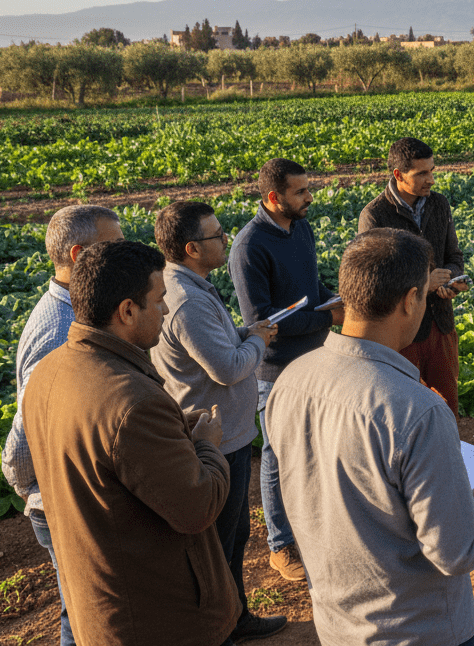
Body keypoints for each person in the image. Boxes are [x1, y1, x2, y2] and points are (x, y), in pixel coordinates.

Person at [267, 228, 474, 646]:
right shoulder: (418, 410)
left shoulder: (292, 381)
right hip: (420, 631)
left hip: (337, 627)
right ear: (410, 300)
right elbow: (456, 552)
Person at [23, 240, 239, 646]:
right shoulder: (133, 402)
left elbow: (106, 455)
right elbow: (197, 506)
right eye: (158, 300)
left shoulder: (49, 372)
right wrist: (206, 445)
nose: (166, 310)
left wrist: (173, 431)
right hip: (161, 618)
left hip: (102, 608)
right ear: (126, 311)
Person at [151, 201, 286, 642]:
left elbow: (217, 351)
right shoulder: (188, 301)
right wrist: (258, 342)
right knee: (219, 545)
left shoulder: (189, 286)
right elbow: (227, 369)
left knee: (235, 535)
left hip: (228, 433)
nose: (226, 239)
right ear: (192, 248)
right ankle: (221, 631)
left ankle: (236, 617)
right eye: (217, 235)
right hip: (217, 439)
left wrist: (246, 335)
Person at [1, 204, 122, 646]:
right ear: (78, 255)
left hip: (69, 495)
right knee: (86, 612)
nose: (123, 252)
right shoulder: (59, 330)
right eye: (114, 245)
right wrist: (34, 489)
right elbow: (22, 440)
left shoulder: (76, 310)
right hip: (61, 502)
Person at [229, 157, 343, 581]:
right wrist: (327, 318)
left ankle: (316, 527)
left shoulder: (300, 227)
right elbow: (262, 323)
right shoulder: (249, 247)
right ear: (274, 197)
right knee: (277, 457)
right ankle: (281, 545)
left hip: (315, 358)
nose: (310, 197)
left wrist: (337, 301)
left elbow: (310, 290)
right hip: (276, 371)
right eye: (301, 192)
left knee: (318, 447)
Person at [357, 137, 469, 416]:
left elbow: (454, 257)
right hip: (400, 334)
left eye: (432, 171)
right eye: (422, 173)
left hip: (440, 326)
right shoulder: (375, 216)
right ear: (398, 175)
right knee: (403, 412)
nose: (431, 180)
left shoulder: (438, 204)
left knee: (446, 409)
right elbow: (372, 284)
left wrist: (452, 280)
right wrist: (424, 285)